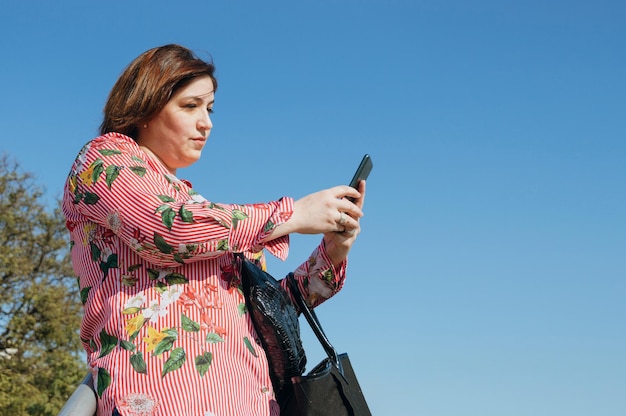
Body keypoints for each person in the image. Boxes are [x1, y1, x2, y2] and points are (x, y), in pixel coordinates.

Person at [62, 44, 365, 416]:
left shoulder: (206, 215)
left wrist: (333, 252)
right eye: (190, 106)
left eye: (209, 108)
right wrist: (293, 214)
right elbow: (168, 228)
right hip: (163, 402)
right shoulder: (104, 159)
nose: (206, 122)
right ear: (144, 107)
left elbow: (271, 311)